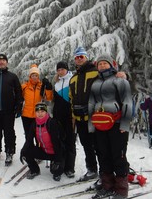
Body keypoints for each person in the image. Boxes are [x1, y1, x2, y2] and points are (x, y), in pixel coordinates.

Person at [88, 55, 132, 199]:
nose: (102, 66)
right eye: (99, 64)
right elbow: (91, 105)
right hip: (100, 125)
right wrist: (91, 126)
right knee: (103, 155)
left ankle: (121, 190)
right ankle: (107, 186)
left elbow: (127, 102)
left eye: (105, 63)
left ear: (111, 65)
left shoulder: (119, 80)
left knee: (118, 156)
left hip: (117, 124)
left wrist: (125, 124)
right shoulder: (95, 83)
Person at [69, 47, 99, 181]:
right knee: (86, 145)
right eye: (77, 57)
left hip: (94, 117)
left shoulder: (95, 72)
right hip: (79, 118)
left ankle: (106, 172)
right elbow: (71, 98)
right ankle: (92, 169)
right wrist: (73, 115)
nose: (79, 59)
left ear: (86, 57)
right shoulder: (73, 78)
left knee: (99, 145)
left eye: (81, 56)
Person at [20, 102, 64, 181]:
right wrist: (23, 151)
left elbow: (57, 143)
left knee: (55, 171)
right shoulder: (34, 124)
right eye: (38, 112)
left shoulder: (51, 123)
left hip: (55, 152)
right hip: (44, 151)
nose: (40, 114)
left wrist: (57, 160)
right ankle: (35, 170)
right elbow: (29, 140)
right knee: (26, 152)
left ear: (46, 112)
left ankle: (57, 167)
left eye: (42, 111)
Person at [53, 61, 77, 178]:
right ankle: (60, 166)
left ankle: (70, 168)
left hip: (70, 117)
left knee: (70, 142)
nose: (60, 71)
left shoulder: (72, 80)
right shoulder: (56, 83)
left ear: (67, 69)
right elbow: (54, 101)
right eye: (58, 70)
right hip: (58, 117)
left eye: (62, 69)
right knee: (59, 142)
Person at [21, 64, 53, 139]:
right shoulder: (24, 87)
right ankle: (29, 149)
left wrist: (48, 87)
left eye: (36, 75)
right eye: (33, 75)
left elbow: (49, 98)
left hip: (38, 115)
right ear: (30, 76)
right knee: (28, 135)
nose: (34, 77)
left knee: (38, 136)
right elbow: (18, 97)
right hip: (26, 115)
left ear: (38, 76)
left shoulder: (42, 86)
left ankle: (38, 150)